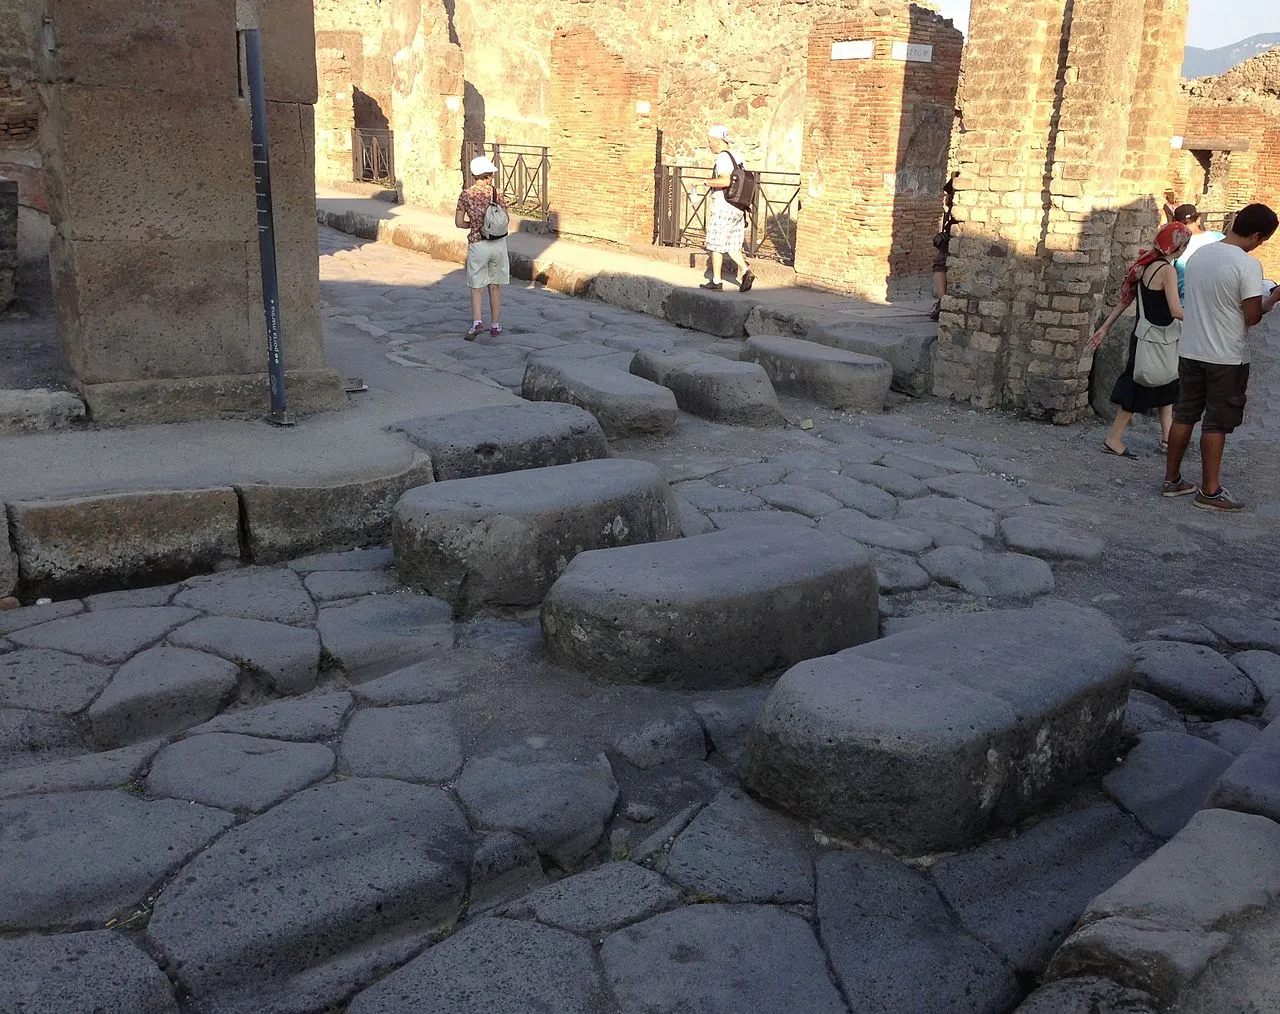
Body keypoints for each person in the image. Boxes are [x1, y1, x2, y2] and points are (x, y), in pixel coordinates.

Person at [1163, 203, 1280, 511]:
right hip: (1226, 357)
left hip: (1191, 350)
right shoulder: (1248, 266)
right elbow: (1252, 317)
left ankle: (1172, 480)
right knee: (1216, 422)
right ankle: (1210, 491)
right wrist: (1273, 298)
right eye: (1263, 239)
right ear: (1256, 235)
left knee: (1184, 414)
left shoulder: (1201, 254)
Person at [1087, 222, 1191, 458]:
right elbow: (1175, 310)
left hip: (1146, 335)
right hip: (1156, 338)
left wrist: (1104, 329)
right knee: (1139, 387)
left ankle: (1167, 439)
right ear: (1180, 247)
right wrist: (1205, 317)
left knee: (1167, 383)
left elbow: (1125, 300)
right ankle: (1113, 439)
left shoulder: (1145, 265)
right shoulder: (1167, 271)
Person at [455, 155, 511, 339]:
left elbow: (458, 222)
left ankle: (477, 322)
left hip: (477, 244)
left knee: (477, 286)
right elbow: (506, 219)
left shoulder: (465, 195)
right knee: (495, 286)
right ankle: (495, 325)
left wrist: (472, 226)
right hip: (497, 243)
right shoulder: (497, 193)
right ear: (487, 176)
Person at [701, 126, 755, 293]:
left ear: (717, 141)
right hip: (737, 207)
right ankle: (746, 270)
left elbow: (725, 181)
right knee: (732, 245)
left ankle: (716, 281)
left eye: (710, 142)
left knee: (716, 244)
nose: (709, 145)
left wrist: (706, 182)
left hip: (724, 206)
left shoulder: (723, 158)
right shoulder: (737, 156)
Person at [1172, 204, 1224, 301]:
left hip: (1187, 302)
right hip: (1217, 300)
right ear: (1198, 219)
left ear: (1177, 223)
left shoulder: (1176, 244)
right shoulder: (1219, 238)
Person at [930, 172, 960, 321]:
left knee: (940, 264)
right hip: (949, 243)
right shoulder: (950, 208)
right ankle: (942, 301)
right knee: (940, 262)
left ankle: (943, 301)